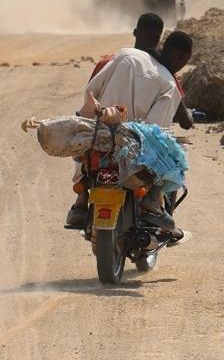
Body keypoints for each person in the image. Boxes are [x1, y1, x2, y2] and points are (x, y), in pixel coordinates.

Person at [64, 30, 194, 232]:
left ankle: (81, 199)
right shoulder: (169, 84)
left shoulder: (127, 55)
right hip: (133, 147)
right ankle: (152, 201)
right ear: (181, 58)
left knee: (84, 135)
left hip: (101, 134)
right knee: (174, 155)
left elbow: (92, 90)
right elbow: (156, 130)